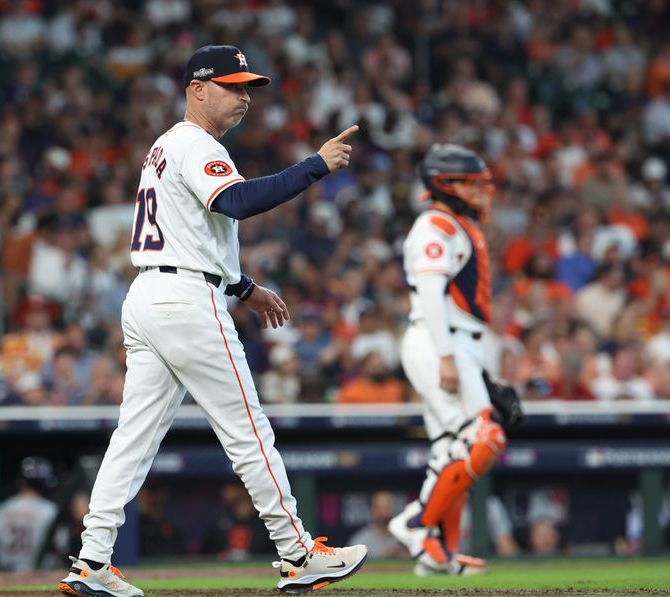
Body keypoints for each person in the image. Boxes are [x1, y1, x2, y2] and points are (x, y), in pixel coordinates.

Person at [59, 45, 368, 597]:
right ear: (197, 89)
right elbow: (238, 203)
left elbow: (193, 232)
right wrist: (315, 164)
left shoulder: (166, 146)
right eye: (232, 86)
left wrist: (244, 287)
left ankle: (92, 562)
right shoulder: (194, 142)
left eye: (247, 87)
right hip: (185, 302)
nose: (244, 96)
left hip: (153, 293)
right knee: (249, 431)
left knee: (132, 439)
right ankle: (299, 554)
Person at [387, 144, 522, 576]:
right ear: (446, 184)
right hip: (436, 337)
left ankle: (436, 553)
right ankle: (416, 523)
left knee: (451, 448)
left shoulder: (456, 224)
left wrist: (475, 366)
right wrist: (447, 356)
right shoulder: (436, 224)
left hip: (456, 340)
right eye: (471, 183)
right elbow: (430, 292)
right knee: (483, 438)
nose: (481, 191)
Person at [0, 456, 59, 571]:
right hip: (39, 574)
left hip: (5, 573)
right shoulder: (50, 510)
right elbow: (59, 546)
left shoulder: (0, 509)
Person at [348, 491, 407, 559]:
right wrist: (384, 555)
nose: (386, 512)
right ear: (372, 510)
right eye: (382, 507)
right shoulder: (360, 540)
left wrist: (405, 555)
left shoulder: (404, 537)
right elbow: (351, 564)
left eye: (388, 507)